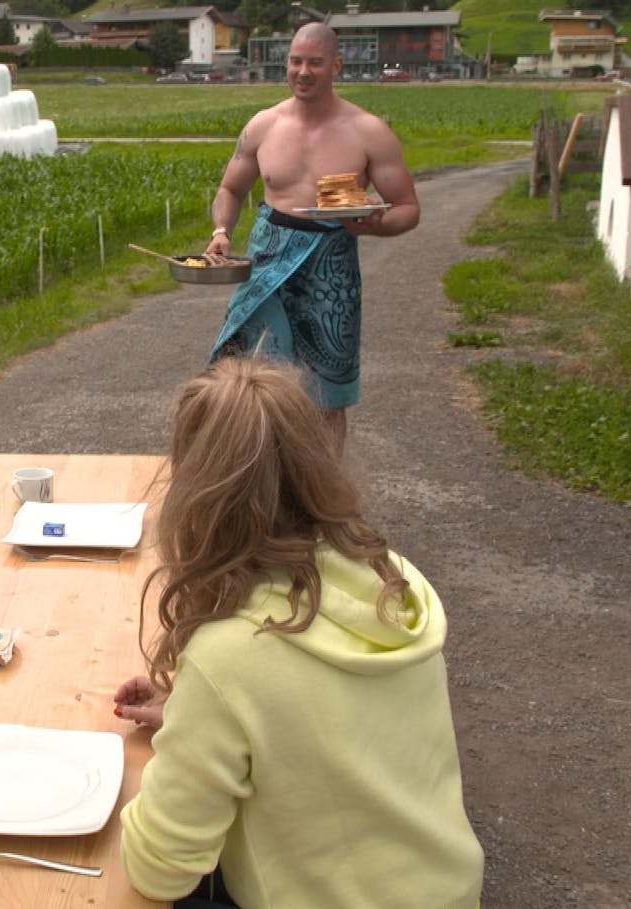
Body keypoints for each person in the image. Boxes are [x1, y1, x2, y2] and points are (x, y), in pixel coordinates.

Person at [115, 358, 483, 908]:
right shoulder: (389, 583)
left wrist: (188, 737)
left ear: (194, 496)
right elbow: (322, 721)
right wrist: (198, 714)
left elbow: (159, 870)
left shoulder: (228, 659)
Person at [203, 22, 421, 452]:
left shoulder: (368, 131)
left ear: (335, 66)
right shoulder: (264, 126)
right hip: (267, 264)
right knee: (242, 385)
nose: (303, 71)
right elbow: (231, 189)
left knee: (326, 399)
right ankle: (251, 489)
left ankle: (323, 505)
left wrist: (374, 224)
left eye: (315, 63)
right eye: (295, 61)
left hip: (331, 268)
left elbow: (408, 208)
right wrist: (220, 232)